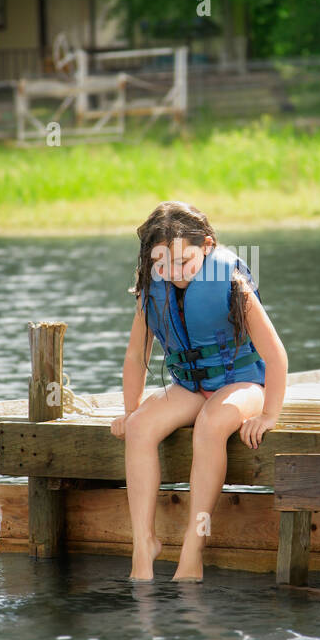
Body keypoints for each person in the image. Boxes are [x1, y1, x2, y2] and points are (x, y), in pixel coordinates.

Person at [111, 200, 288, 582]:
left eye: (184, 262)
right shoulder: (152, 289)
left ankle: (193, 549)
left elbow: (276, 356)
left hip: (242, 385)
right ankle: (143, 546)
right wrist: (130, 411)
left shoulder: (231, 284)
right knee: (141, 427)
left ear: (207, 246)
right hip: (190, 386)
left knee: (211, 425)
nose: (174, 273)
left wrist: (269, 414)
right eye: (163, 264)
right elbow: (135, 357)